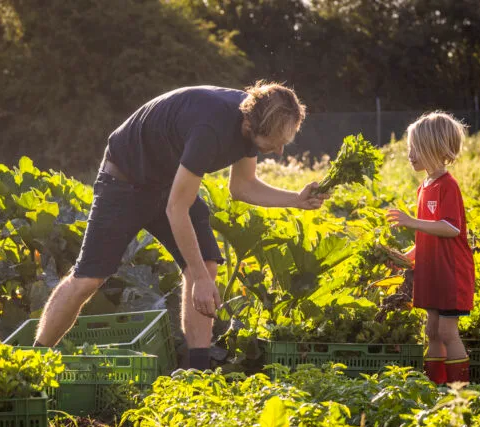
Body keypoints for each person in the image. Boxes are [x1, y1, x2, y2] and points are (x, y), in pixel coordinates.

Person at [33, 82, 329, 370]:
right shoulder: (210, 129)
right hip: (123, 181)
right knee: (88, 279)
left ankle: (197, 374)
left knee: (207, 263)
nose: (279, 151)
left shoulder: (253, 119)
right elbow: (177, 208)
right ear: (252, 127)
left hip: (164, 183)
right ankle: (34, 361)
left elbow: (243, 186)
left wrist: (296, 199)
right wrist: (199, 277)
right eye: (275, 143)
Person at [386, 112, 474, 384]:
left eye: (416, 149)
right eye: (410, 149)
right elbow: (428, 237)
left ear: (435, 149)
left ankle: (460, 392)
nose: (410, 154)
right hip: (433, 273)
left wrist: (412, 221)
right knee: (431, 332)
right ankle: (435, 387)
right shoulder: (424, 187)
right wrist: (406, 258)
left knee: (448, 333)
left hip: (451, 274)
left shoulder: (448, 186)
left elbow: (451, 228)